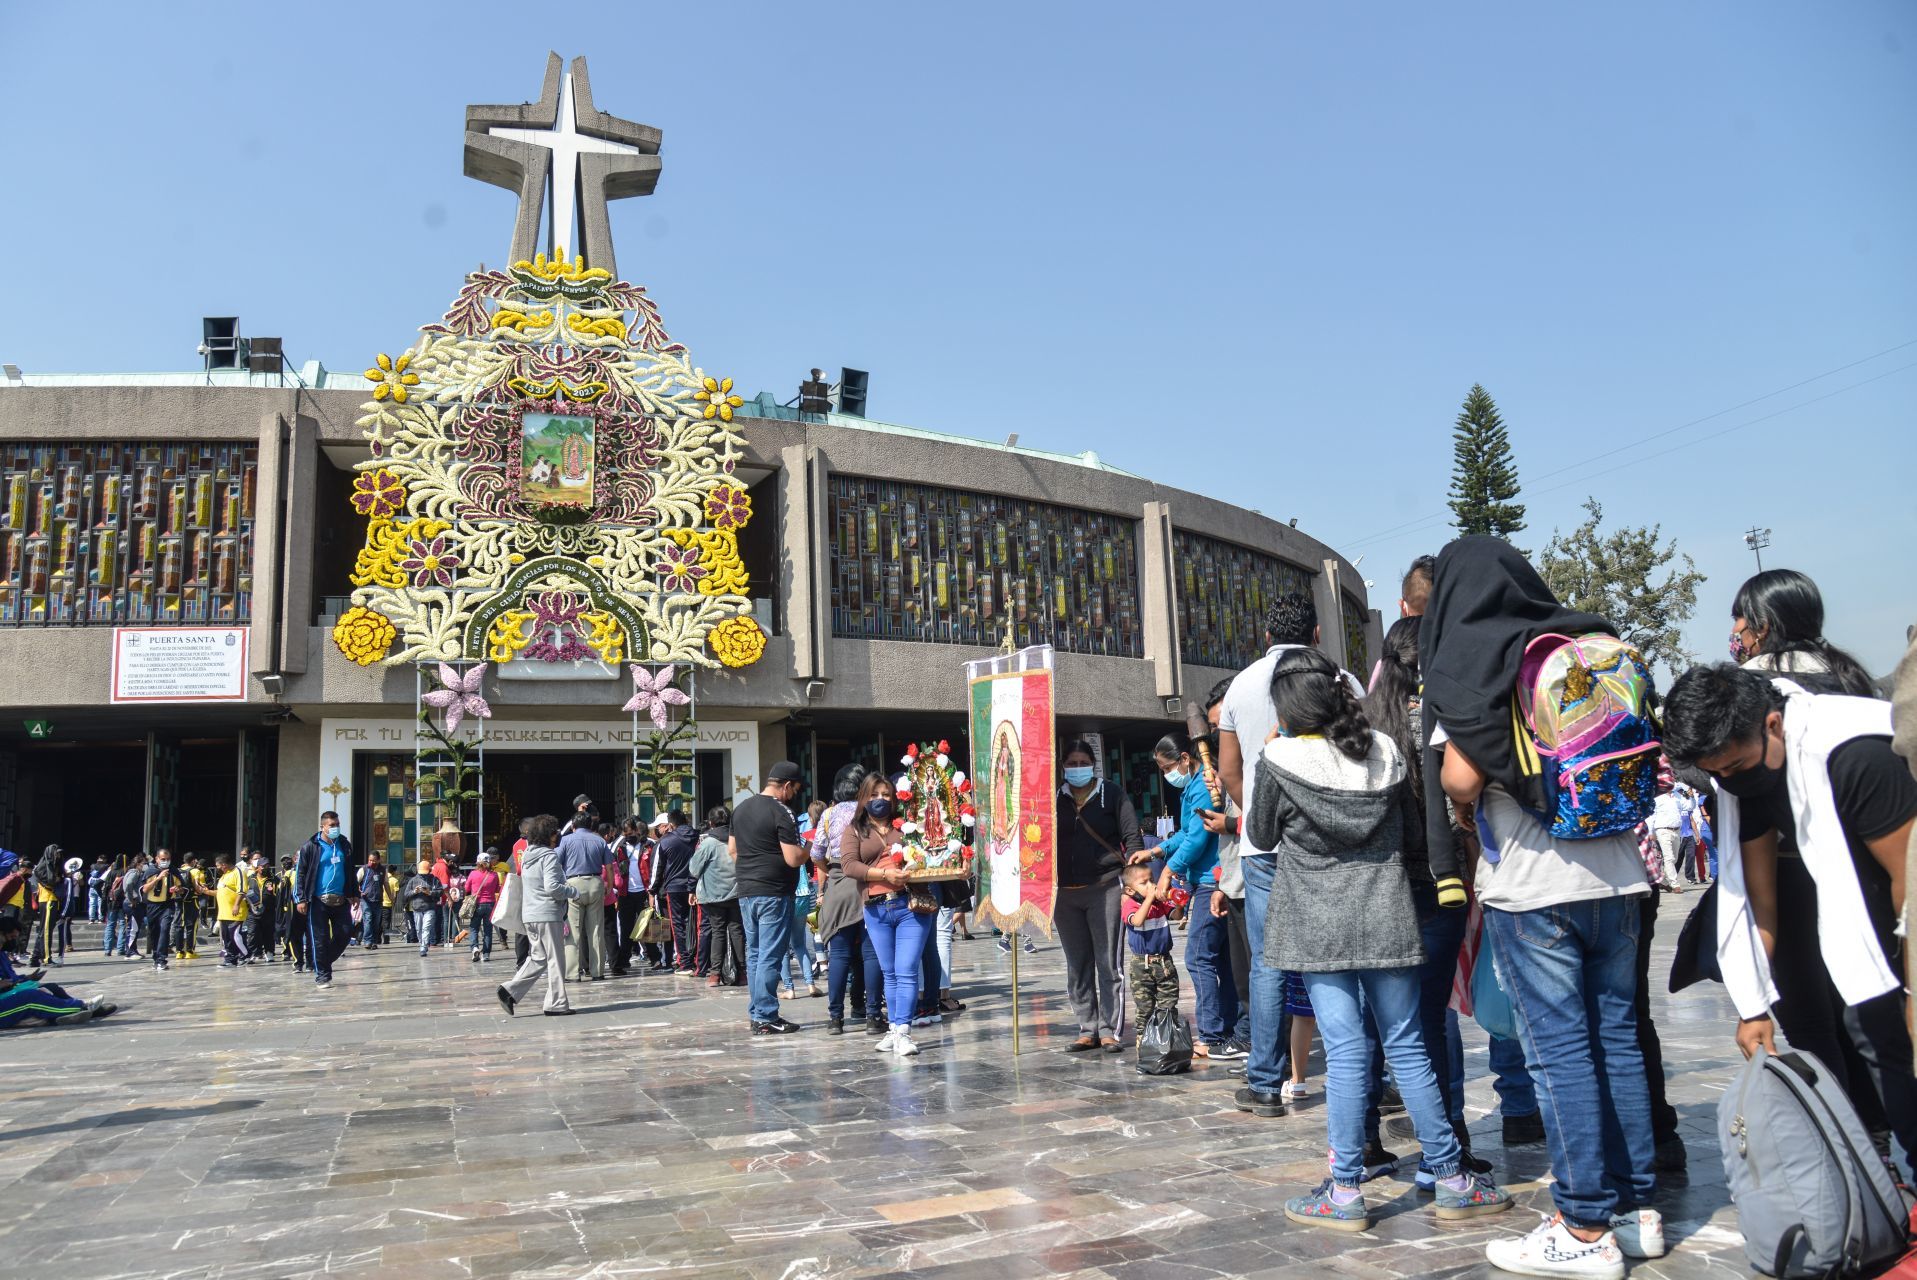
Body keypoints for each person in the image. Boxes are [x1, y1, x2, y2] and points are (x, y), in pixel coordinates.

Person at [1423, 537, 1661, 1275]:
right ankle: (1635, 1211)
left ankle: (1583, 1227)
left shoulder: (1469, 662)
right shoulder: (1586, 641)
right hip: (1619, 873)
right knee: (1617, 1038)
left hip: (1535, 886)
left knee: (1558, 1052)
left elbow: (1460, 781)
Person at [1248, 646, 1511, 1234]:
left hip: (1317, 925)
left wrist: (1273, 753)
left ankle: (1344, 1190)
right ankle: (1450, 1175)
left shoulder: (1278, 759)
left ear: (1287, 705)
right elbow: (1412, 829)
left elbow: (1261, 834)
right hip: (1387, 913)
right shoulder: (1384, 752)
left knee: (1345, 1053)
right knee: (1410, 1046)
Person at [1663, 663, 1916, 1180]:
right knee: (1870, 1038)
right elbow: (1760, 898)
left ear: (1772, 725)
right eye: (1717, 773)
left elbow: (1908, 881)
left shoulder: (1856, 753)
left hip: (1899, 908)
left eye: (1733, 766)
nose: (1727, 781)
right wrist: (1754, 1004)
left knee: (1895, 1045)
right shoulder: (1744, 780)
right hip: (1860, 915)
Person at [1216, 591, 1366, 1120]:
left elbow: (1230, 769)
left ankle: (1264, 1081)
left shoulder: (1240, 684)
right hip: (1331, 841)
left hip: (1264, 849)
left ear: (1264, 636)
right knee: (1350, 952)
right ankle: (1371, 1073)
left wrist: (1258, 811)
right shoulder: (1341, 679)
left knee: (1268, 961)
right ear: (1318, 634)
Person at [1362, 614, 1490, 1181]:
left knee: (1372, 1023)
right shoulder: (1444, 721)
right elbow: (1462, 801)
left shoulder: (1362, 728)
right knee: (1433, 1022)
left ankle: (1364, 1139)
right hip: (1442, 888)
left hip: (1380, 892)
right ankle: (1450, 1144)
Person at [1148, 730, 1237, 1060]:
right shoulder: (1193, 788)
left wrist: (1169, 870)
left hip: (1210, 880)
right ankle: (1230, 1031)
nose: (1167, 774)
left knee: (1199, 957)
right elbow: (1187, 831)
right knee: (1221, 960)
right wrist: (1159, 849)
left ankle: (1214, 1035)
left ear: (1185, 759)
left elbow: (1199, 838)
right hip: (1209, 878)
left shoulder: (1202, 784)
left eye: (1167, 767)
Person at [1054, 740, 1143, 1054]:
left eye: (1083, 762)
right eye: (1072, 762)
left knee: (1108, 962)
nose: (1078, 768)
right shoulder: (1054, 798)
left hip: (1104, 887)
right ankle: (1086, 1027)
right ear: (1063, 766)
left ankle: (1109, 1029)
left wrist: (1135, 877)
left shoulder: (1112, 794)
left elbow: (1132, 835)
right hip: (1064, 894)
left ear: (1093, 764)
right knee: (1077, 964)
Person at [839, 772, 925, 1056]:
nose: (880, 800)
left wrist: (911, 869)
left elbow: (927, 855)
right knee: (889, 973)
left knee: (906, 970)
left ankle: (903, 1031)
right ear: (864, 798)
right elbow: (849, 866)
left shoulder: (908, 825)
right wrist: (883, 873)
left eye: (886, 795)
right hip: (876, 908)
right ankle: (893, 1029)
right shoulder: (854, 830)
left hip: (909, 905)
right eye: (874, 795)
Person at [732, 762, 810, 1034]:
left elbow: (733, 851)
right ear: (786, 786)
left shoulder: (740, 809)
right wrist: (810, 845)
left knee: (754, 954)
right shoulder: (782, 811)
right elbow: (793, 859)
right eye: (795, 789)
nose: (794, 795)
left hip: (746, 892)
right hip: (774, 893)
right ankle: (765, 1015)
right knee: (770, 955)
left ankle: (757, 1012)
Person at [1729, 568, 1878, 697]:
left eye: (1737, 618)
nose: (1734, 629)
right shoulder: (1852, 677)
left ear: (1762, 627)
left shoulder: (1746, 685)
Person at [813, 764, 879, 1035]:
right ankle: (873, 1015)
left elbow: (816, 853)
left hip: (839, 883)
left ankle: (835, 1019)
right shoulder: (871, 812)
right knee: (870, 953)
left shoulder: (828, 814)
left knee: (839, 954)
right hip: (871, 882)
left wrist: (834, 872)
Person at [497, 813, 577, 1017]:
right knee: (555, 960)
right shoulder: (549, 856)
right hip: (548, 913)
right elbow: (552, 887)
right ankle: (556, 1003)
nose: (557, 835)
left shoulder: (527, 855)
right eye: (555, 832)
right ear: (548, 835)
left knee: (539, 957)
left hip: (530, 914)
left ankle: (509, 991)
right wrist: (572, 891)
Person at [0, 915, 114, 1027]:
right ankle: (81, 1008)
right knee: (30, 998)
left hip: (6, 994)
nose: (11, 941)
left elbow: (11, 979)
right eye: (10, 937)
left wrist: (28, 978)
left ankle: (73, 1009)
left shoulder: (2, 954)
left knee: (51, 988)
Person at [295, 811, 358, 990]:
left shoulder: (344, 845)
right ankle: (323, 975)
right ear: (322, 826)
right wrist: (300, 898)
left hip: (341, 899)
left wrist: (354, 893)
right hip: (317, 901)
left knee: (345, 933)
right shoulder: (310, 847)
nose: (335, 828)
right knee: (319, 939)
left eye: (337, 824)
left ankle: (321, 961)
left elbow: (350, 870)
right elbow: (300, 874)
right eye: (331, 825)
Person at [1120, 860, 1179, 1036]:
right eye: (1144, 883)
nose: (1151, 885)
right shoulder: (1130, 905)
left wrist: (1180, 903)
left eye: (1151, 880)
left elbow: (1176, 915)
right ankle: (1143, 1041)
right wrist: (1149, 899)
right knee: (1144, 1006)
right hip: (1141, 965)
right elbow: (1136, 920)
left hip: (1163, 962)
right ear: (1130, 890)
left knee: (1168, 1003)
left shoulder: (1160, 904)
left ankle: (1167, 1039)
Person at [690, 805, 743, 987]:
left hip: (713, 896)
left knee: (717, 932)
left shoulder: (708, 844)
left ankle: (714, 975)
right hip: (737, 892)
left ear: (711, 823)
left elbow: (694, 869)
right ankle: (742, 973)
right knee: (737, 931)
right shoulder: (738, 840)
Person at [557, 808, 612, 981]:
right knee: (596, 930)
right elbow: (609, 867)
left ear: (573, 825)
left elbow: (556, 864)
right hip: (596, 883)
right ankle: (598, 972)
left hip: (573, 885)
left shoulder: (565, 841)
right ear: (591, 825)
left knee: (573, 931)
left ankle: (573, 973)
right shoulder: (600, 841)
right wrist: (609, 885)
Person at [654, 810, 697, 974]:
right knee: (693, 924)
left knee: (678, 925)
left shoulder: (666, 841)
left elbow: (659, 869)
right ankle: (696, 959)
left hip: (673, 887)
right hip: (694, 886)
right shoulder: (697, 837)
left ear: (671, 824)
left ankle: (685, 962)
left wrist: (654, 889)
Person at [140, 849, 185, 972]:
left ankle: (162, 959)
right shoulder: (150, 871)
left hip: (167, 904)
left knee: (165, 929)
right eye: (163, 859)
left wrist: (178, 889)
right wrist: (158, 878)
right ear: (157, 859)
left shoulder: (173, 871)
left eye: (168, 859)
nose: (166, 862)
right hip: (152, 905)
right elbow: (144, 889)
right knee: (154, 932)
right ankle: (156, 956)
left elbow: (183, 888)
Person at [402, 859, 444, 957]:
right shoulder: (413, 880)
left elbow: (440, 891)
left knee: (426, 928)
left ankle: (424, 947)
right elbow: (406, 894)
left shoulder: (434, 879)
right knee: (419, 929)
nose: (423, 875)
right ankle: (422, 943)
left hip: (430, 907)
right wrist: (414, 892)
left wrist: (430, 892)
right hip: (417, 908)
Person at [465, 851, 501, 962]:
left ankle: (475, 948)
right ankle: (486, 954)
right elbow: (497, 889)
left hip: (477, 904)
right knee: (488, 930)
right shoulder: (494, 875)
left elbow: (466, 889)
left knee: (474, 928)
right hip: (490, 904)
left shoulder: (473, 874)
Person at [356, 852, 385, 949]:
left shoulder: (382, 870)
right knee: (368, 919)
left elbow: (386, 884)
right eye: (369, 860)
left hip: (378, 899)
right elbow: (356, 881)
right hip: (366, 899)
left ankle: (374, 941)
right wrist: (358, 891)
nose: (371, 862)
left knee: (376, 922)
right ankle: (367, 941)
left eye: (373, 860)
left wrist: (391, 896)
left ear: (378, 860)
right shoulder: (364, 869)